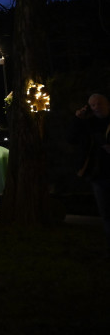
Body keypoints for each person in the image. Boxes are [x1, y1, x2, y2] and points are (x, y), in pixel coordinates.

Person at [69, 92, 110, 256]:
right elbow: (71, 139)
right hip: (98, 175)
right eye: (93, 105)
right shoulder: (89, 124)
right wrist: (77, 119)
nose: (96, 107)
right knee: (106, 214)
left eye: (99, 104)